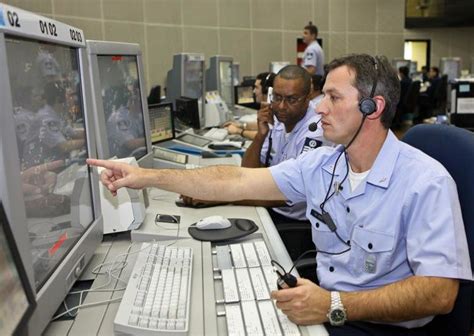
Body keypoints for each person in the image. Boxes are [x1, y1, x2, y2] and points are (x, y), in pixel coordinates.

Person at [87, 54, 471, 334]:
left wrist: (334, 305)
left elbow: (439, 294)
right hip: (329, 305)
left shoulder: (425, 182)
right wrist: (146, 176)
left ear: (373, 108)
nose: (319, 107)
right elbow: (234, 182)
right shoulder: (324, 163)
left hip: (382, 326)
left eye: (333, 98)